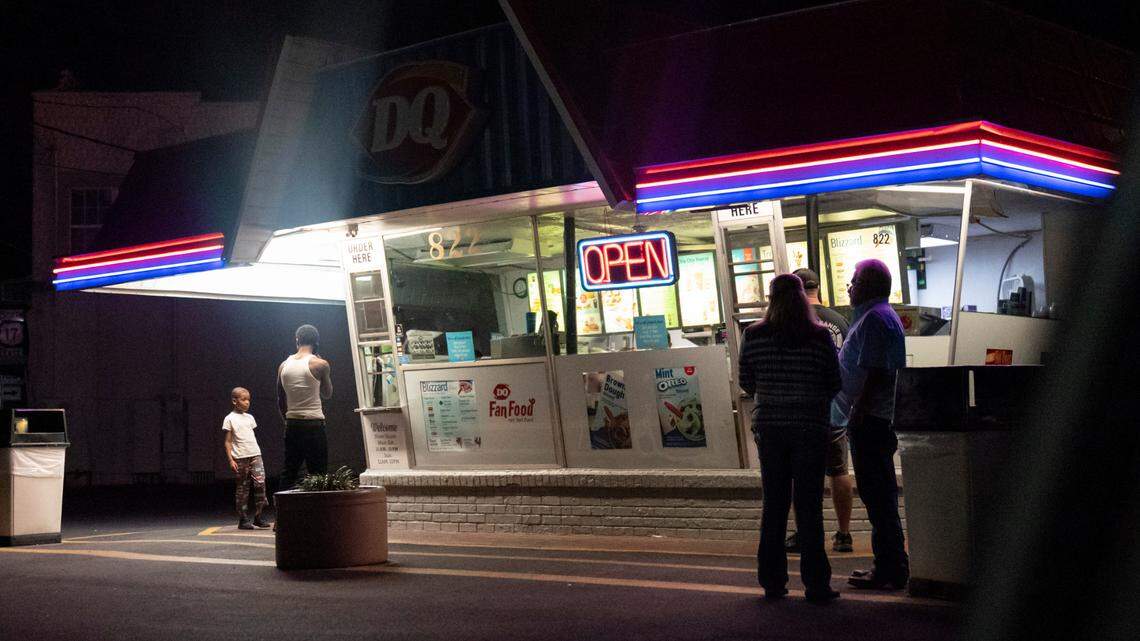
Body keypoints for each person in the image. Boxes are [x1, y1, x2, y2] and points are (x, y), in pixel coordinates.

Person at [739, 274, 841, 602]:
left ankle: (772, 580)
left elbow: (746, 381)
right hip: (810, 427)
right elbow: (834, 382)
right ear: (801, 297)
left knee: (775, 503)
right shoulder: (819, 335)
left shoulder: (753, 334)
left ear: (770, 298)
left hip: (769, 427)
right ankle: (817, 584)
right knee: (808, 505)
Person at [834, 259, 909, 590]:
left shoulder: (877, 319)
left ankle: (890, 569)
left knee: (879, 497)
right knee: (878, 496)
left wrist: (858, 413)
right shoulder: (872, 316)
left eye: (855, 280)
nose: (850, 286)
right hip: (870, 418)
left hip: (871, 421)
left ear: (871, 285)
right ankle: (889, 565)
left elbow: (877, 372)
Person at [785, 268, 855, 554]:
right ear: (818, 288)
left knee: (801, 475)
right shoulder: (840, 320)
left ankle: (806, 533)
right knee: (839, 471)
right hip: (836, 408)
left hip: (803, 411)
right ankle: (844, 534)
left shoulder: (793, 322)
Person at [277, 324, 333, 492]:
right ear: (316, 342)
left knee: (289, 472)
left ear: (297, 340)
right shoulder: (320, 364)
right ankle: (320, 515)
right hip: (314, 424)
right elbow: (327, 393)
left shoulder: (283, 366)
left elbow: (280, 399)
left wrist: (287, 422)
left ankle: (283, 514)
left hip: (292, 423)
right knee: (318, 473)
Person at [223, 387, 269, 530]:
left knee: (260, 484)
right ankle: (243, 519)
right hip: (240, 457)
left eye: (248, 399)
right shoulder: (229, 418)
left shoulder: (250, 418)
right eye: (244, 399)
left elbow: (250, 436)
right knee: (243, 488)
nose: (247, 402)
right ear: (234, 401)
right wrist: (231, 459)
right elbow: (228, 441)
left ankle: (258, 516)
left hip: (255, 454)